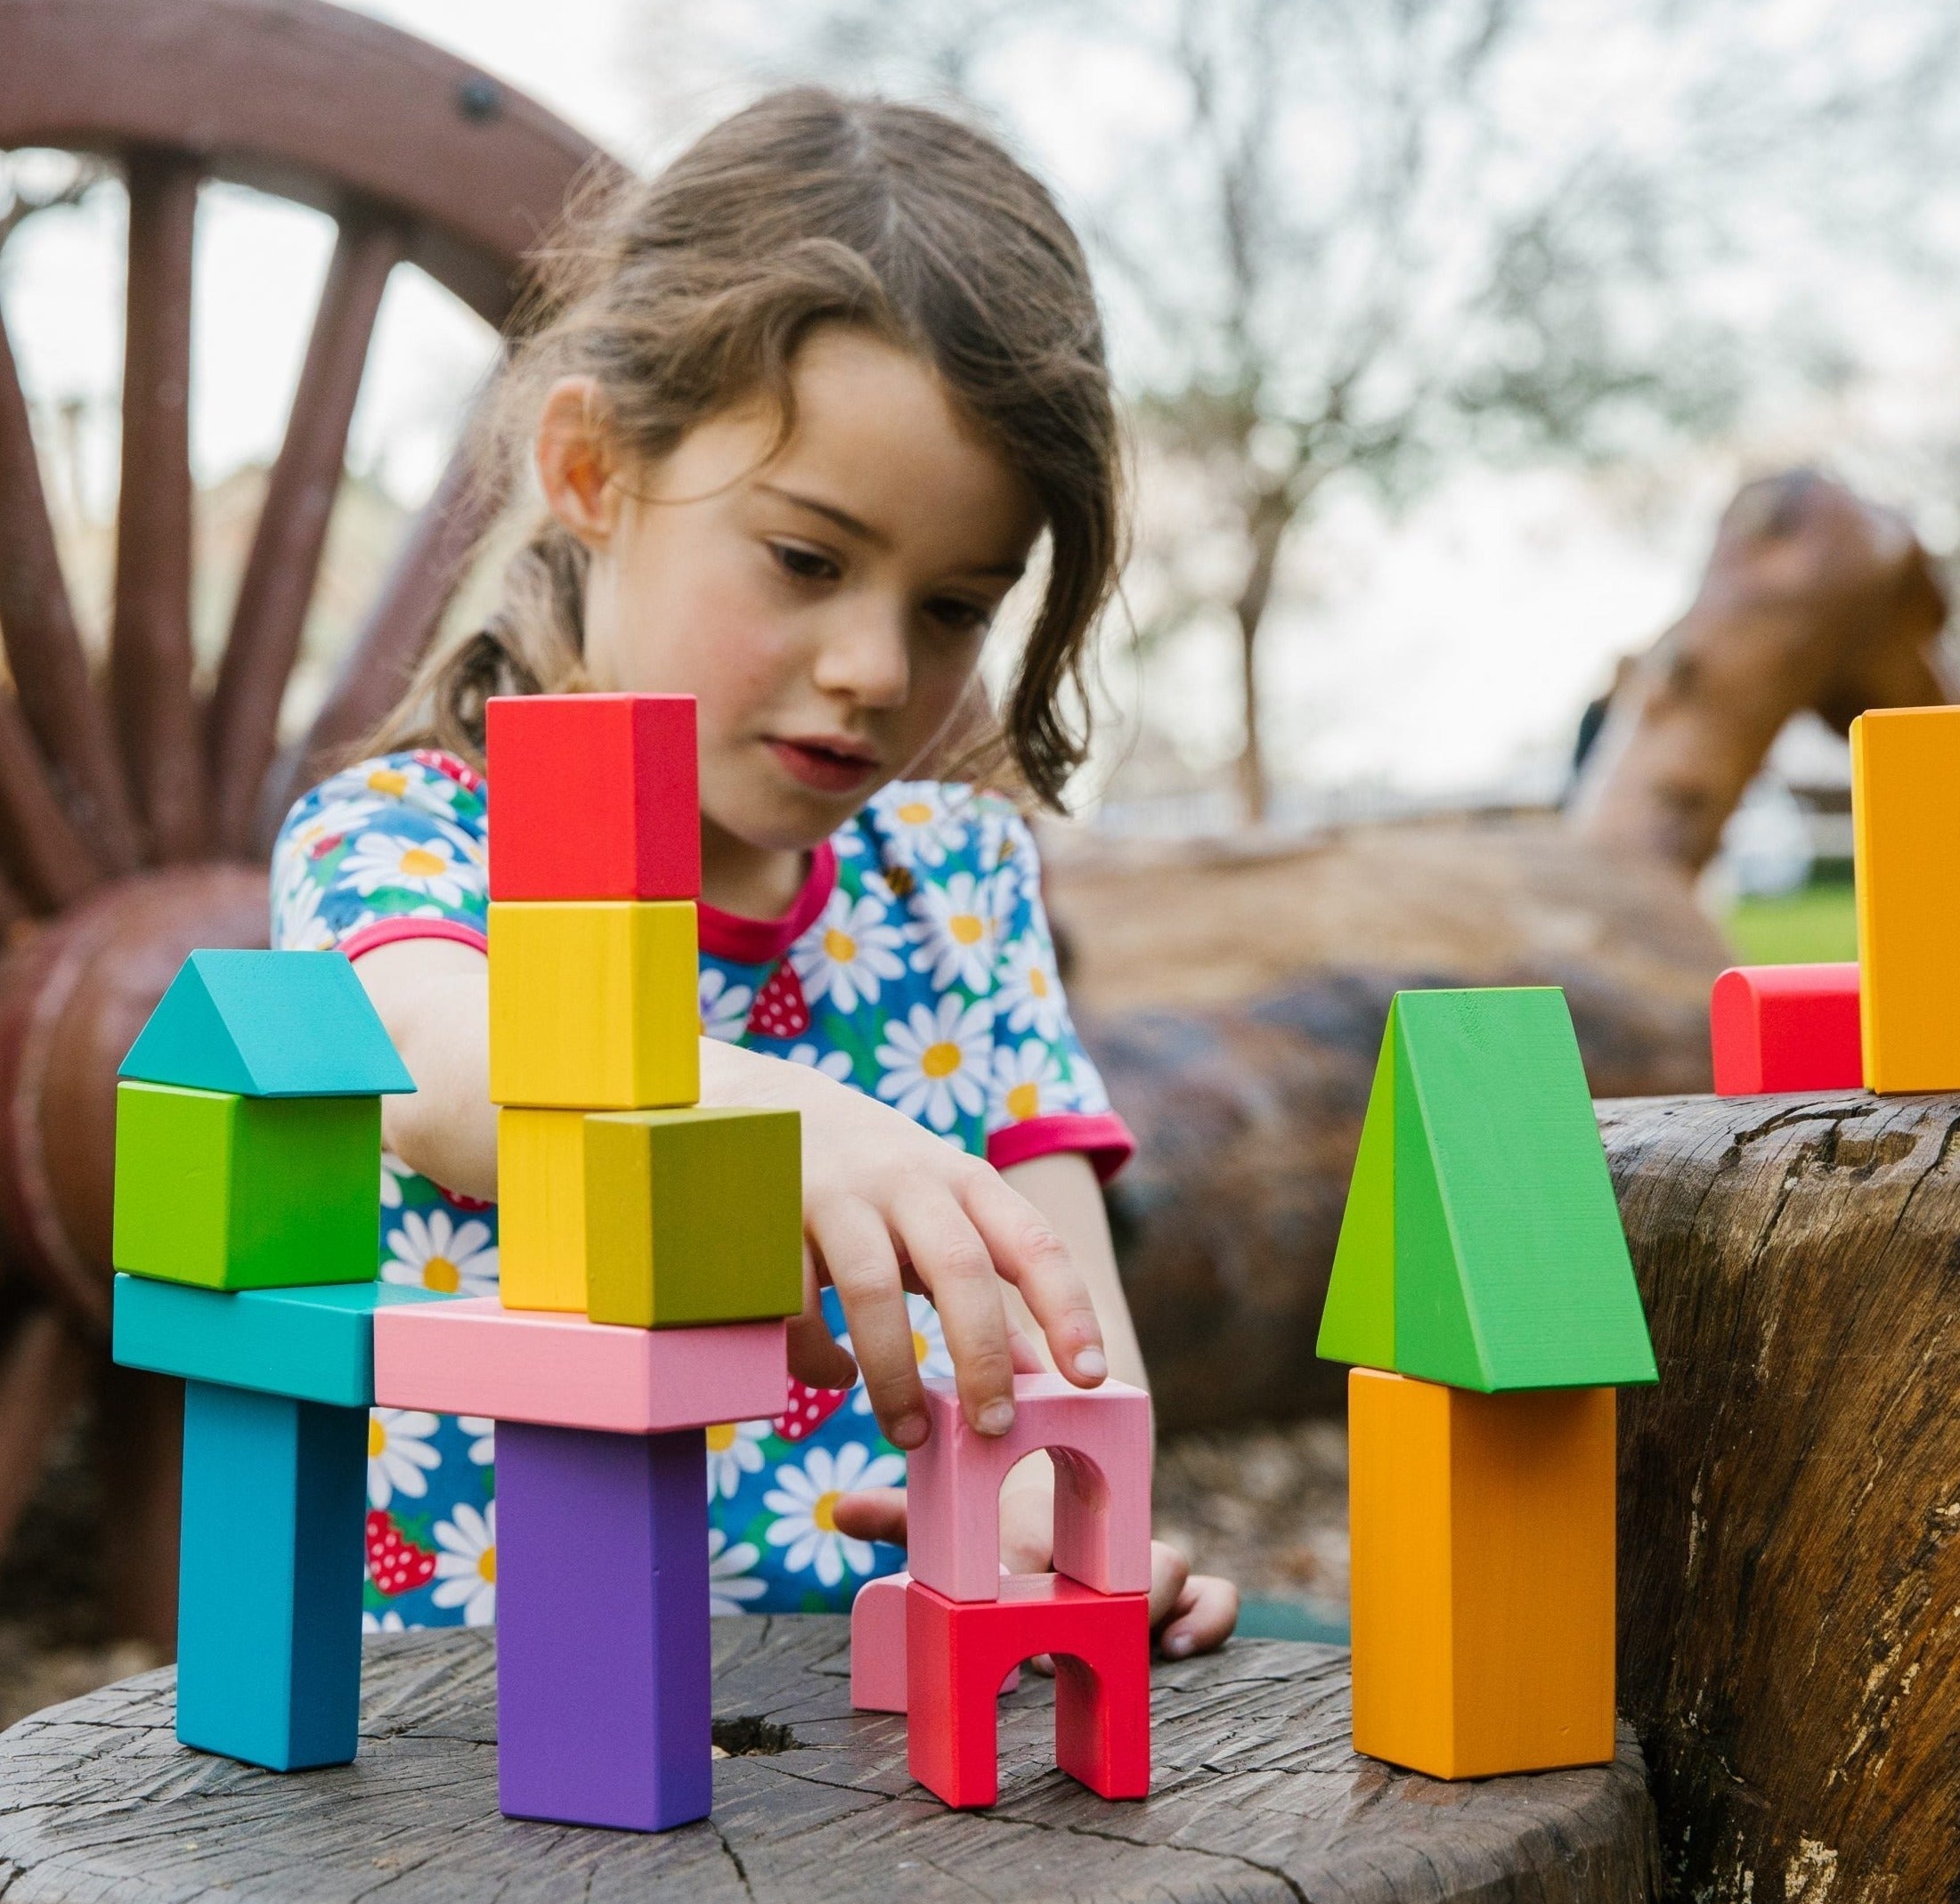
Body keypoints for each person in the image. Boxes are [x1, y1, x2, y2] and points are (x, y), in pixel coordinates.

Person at [272, 88, 1238, 1658]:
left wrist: (1085, 1538)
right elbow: (432, 1066)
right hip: (468, 1779)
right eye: (806, 559)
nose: (875, 666)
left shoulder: (959, 891)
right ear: (591, 469)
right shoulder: (408, 842)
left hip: (865, 1801)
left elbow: (1074, 1373)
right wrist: (783, 1112)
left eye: (956, 608)